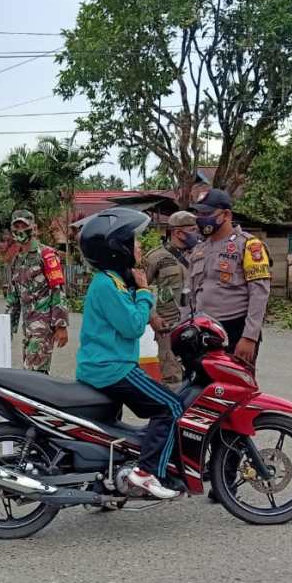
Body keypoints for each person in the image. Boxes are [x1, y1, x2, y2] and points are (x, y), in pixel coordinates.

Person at [76, 208, 183, 500]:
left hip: (102, 366)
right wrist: (145, 291)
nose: (139, 247)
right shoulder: (108, 285)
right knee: (171, 406)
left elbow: (134, 316)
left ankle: (104, 488)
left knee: (109, 431)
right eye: (134, 242)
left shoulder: (115, 281)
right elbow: (133, 326)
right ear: (116, 248)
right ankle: (147, 473)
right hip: (113, 368)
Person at [188, 188, 270, 365]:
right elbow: (192, 293)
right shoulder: (199, 249)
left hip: (236, 330)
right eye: (199, 213)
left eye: (207, 213)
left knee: (234, 381)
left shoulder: (249, 245)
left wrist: (250, 336)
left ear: (226, 215)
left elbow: (259, 294)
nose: (201, 218)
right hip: (203, 330)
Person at [5, 210, 69, 373]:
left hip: (43, 326)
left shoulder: (47, 255)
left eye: (24, 226)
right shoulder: (17, 260)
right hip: (28, 327)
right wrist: (6, 327)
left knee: (34, 373)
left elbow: (58, 290)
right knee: (30, 373)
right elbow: (14, 297)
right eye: (16, 227)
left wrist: (60, 325)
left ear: (33, 228)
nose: (20, 230)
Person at [144, 211, 198, 387]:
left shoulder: (201, 255)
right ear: (178, 232)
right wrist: (152, 317)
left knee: (198, 375)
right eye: (193, 230)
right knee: (172, 378)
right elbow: (139, 288)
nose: (197, 234)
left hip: (197, 325)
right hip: (168, 327)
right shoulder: (155, 257)